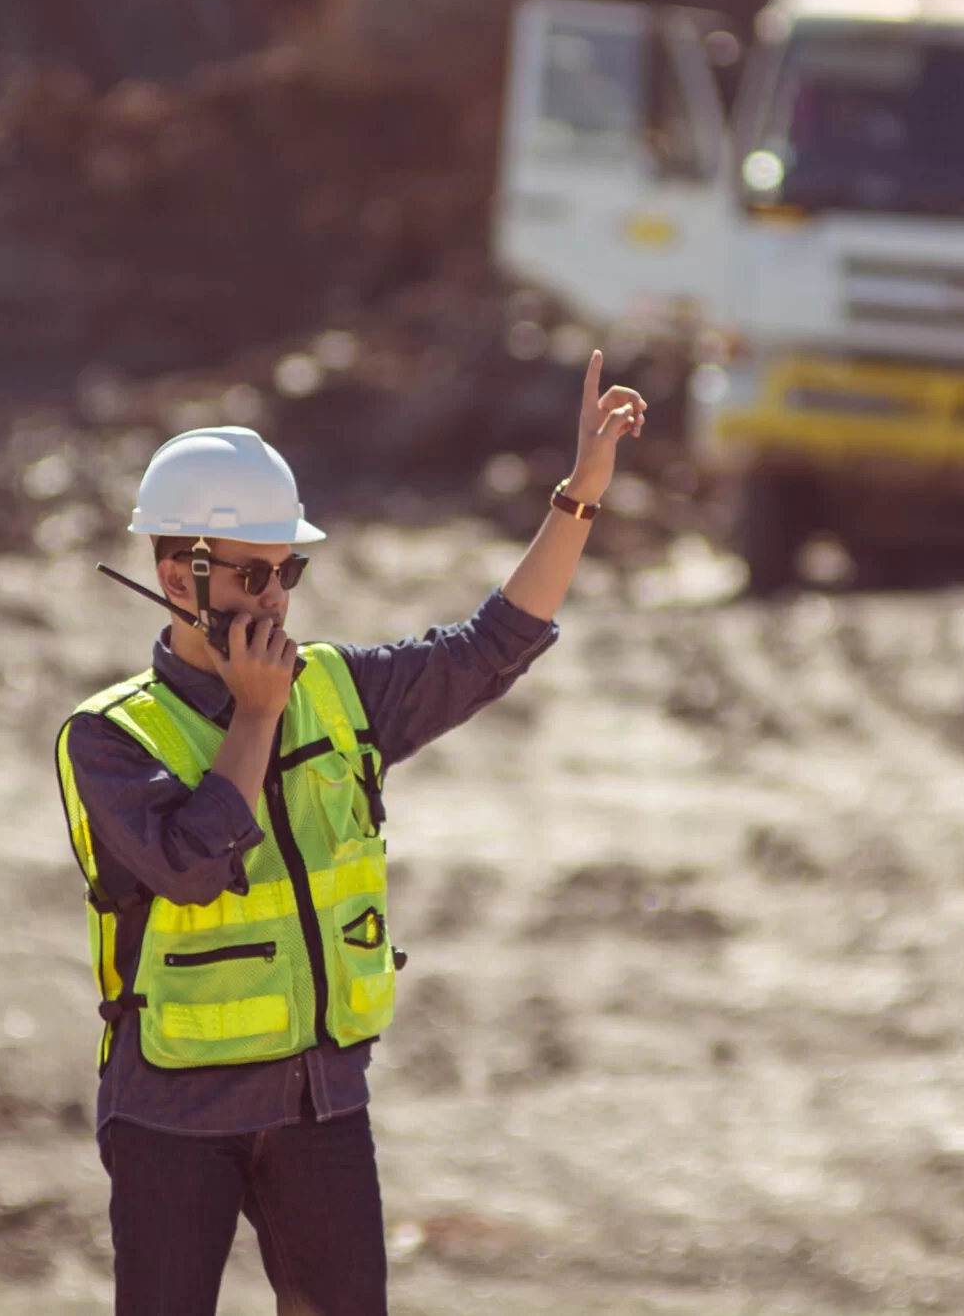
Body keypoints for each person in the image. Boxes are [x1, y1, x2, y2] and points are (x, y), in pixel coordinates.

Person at [53, 350, 647, 1314]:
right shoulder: (109, 739)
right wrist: (251, 718)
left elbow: (492, 646)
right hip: (171, 1111)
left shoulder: (336, 689)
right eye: (256, 572)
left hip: (318, 1105)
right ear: (177, 574)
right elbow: (195, 866)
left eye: (289, 568)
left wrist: (577, 497)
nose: (279, 594)